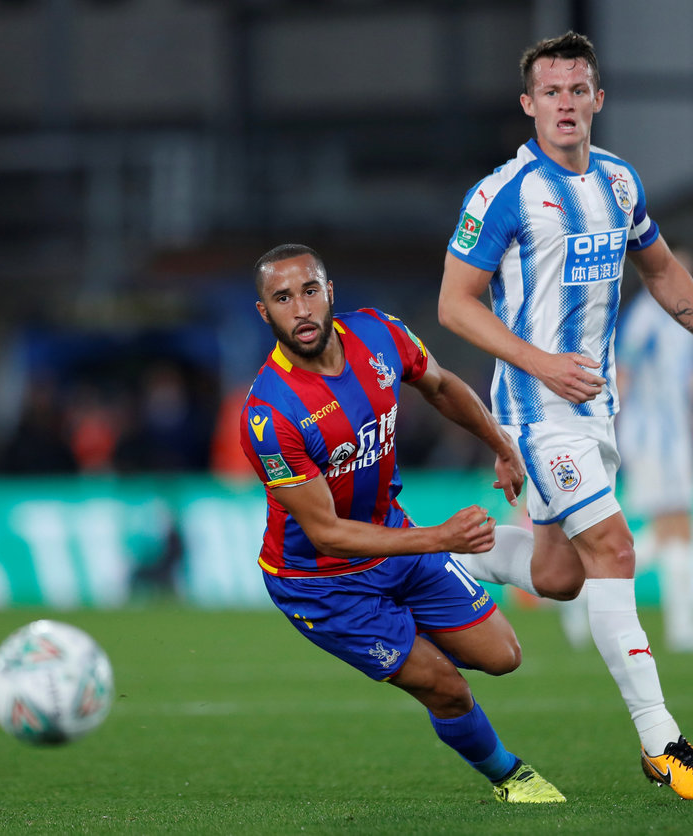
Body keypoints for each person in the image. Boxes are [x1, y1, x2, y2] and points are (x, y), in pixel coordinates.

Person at [437, 32, 693, 801]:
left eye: (577, 89)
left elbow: (662, 270)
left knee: (559, 576)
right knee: (616, 549)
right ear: (529, 104)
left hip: (596, 415)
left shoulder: (620, 182)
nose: (565, 103)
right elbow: (455, 303)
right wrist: (540, 362)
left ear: (598, 99)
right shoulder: (503, 193)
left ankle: (429, 555)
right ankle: (663, 742)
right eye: (551, 92)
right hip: (535, 410)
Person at [238, 243, 564, 804]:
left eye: (310, 291)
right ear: (264, 312)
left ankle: (442, 593)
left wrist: (500, 444)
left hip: (393, 538)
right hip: (322, 583)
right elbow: (327, 534)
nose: (302, 309)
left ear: (329, 292)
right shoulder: (269, 414)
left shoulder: (379, 333)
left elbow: (440, 385)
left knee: (503, 656)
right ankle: (510, 777)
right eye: (283, 298)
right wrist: (440, 538)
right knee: (446, 688)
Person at [560, 279, 693, 654]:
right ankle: (590, 590)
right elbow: (623, 374)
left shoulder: (682, 322)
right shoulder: (645, 318)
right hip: (651, 439)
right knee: (673, 528)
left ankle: (679, 624)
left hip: (677, 440)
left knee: (678, 529)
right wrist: (603, 429)